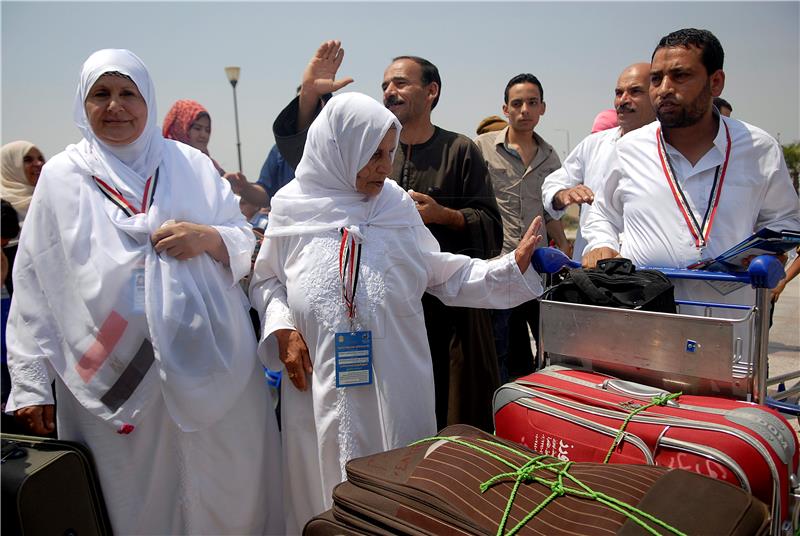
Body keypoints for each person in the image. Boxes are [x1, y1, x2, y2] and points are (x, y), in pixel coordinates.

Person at [4, 49, 283, 534]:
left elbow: (244, 241)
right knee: (129, 498)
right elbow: (34, 280)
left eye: (128, 93)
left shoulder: (191, 164)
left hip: (209, 359)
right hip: (105, 363)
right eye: (101, 94)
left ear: (148, 99)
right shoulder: (63, 177)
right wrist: (29, 383)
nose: (116, 107)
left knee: (227, 484)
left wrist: (208, 237)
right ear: (82, 104)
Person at [250, 91, 545, 533]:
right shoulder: (293, 209)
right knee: (321, 487)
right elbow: (266, 280)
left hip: (395, 378)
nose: (384, 166)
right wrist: (283, 329)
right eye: (372, 154)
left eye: (390, 153)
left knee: (398, 491)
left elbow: (440, 273)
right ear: (338, 147)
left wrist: (508, 268)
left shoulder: (395, 207)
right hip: (317, 377)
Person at [272, 40, 504, 431]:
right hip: (351, 342)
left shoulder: (459, 151)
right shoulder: (323, 183)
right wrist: (310, 97)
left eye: (400, 83)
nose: (389, 92)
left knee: (431, 423)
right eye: (384, 85)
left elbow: (484, 232)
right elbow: (313, 170)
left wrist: (445, 216)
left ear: (431, 91)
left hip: (440, 324)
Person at [581, 29, 800, 312]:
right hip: (644, 315)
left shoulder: (759, 149)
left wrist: (771, 254)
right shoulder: (628, 148)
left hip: (730, 319)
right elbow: (603, 213)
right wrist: (600, 243)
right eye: (656, 79)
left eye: (680, 76)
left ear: (716, 82)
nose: (664, 89)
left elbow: (785, 221)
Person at [474, 73, 568, 380]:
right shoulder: (482, 148)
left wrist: (565, 250)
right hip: (499, 265)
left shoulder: (551, 157)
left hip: (538, 269)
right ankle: (498, 414)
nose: (524, 110)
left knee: (547, 346)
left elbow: (552, 214)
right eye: (517, 103)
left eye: (532, 103)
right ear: (505, 109)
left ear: (543, 108)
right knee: (497, 345)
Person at [542, 63, 656, 262]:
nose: (623, 100)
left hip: (648, 271)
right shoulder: (594, 144)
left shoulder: (670, 147)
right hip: (592, 269)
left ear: (656, 94)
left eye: (635, 91)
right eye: (619, 93)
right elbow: (553, 183)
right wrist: (562, 195)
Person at [162, 98, 226, 175]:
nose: (203, 135)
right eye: (197, 128)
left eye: (207, 130)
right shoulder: (162, 165)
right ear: (180, 129)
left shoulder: (212, 168)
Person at [1, 140, 45, 223]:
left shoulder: (50, 200)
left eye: (40, 158)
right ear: (9, 167)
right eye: (28, 160)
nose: (39, 163)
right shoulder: (2, 206)